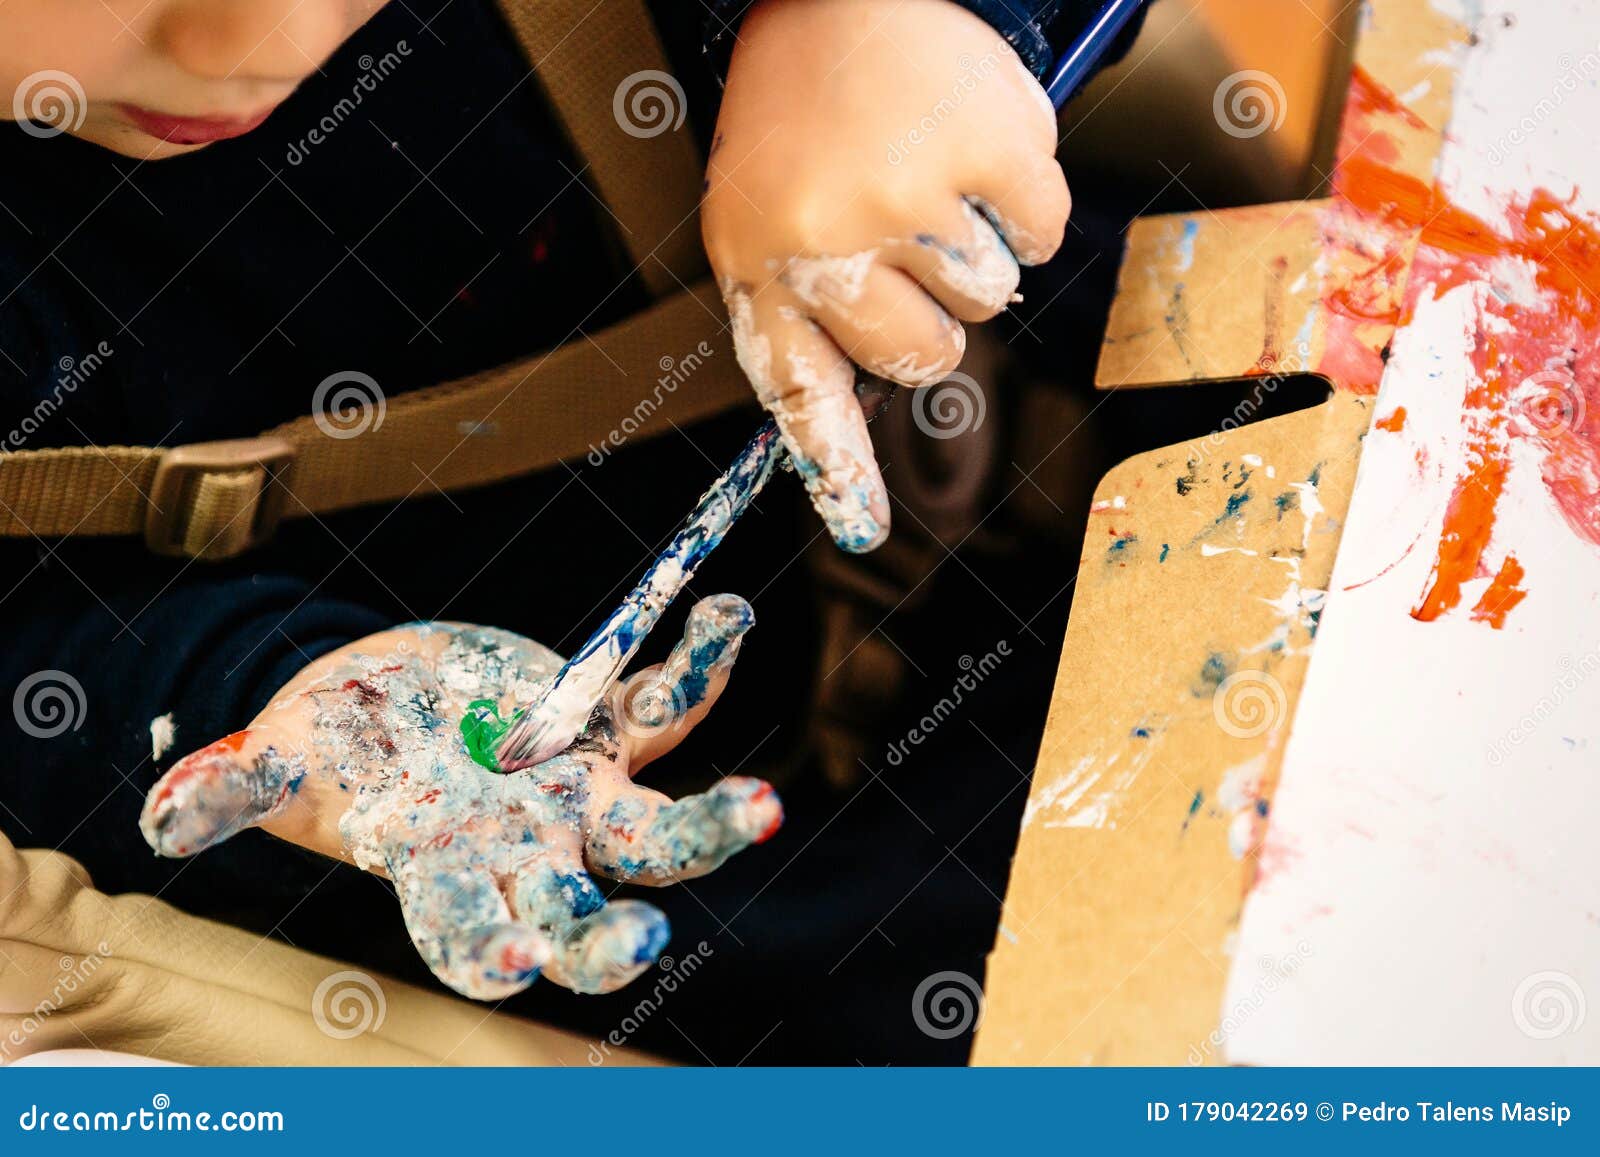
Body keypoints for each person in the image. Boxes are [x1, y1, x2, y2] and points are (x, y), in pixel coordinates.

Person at [0, 0, 1140, 1062]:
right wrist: (263, 682)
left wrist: (899, 26)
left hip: (1007, 517)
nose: (252, 40)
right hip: (490, 864)